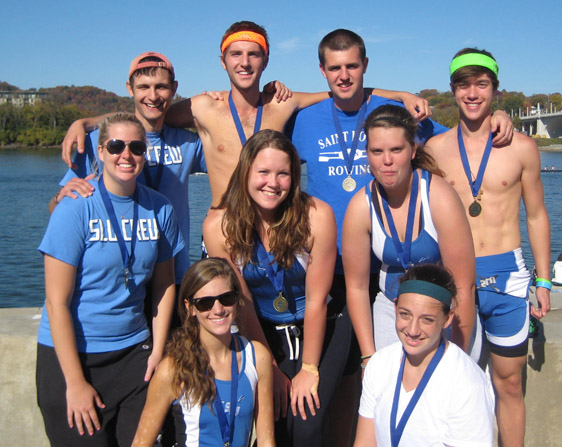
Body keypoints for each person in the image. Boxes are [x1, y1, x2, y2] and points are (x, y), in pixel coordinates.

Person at [287, 29, 511, 444]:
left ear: (410, 148)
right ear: (321, 71)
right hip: (359, 287)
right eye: (334, 68)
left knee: (443, 404)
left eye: (352, 65)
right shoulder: (305, 123)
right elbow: (260, 145)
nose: (344, 75)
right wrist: (373, 356)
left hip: (435, 303)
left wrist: (496, 116)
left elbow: (461, 136)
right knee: (374, 399)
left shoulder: (401, 125)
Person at [425, 48, 551, 447]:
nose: (473, 93)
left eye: (482, 84)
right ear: (453, 90)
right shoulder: (433, 149)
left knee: (509, 383)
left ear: (496, 90)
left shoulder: (522, 148)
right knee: (452, 379)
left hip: (508, 276)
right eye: (464, 85)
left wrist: (545, 279)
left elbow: (536, 216)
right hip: (453, 275)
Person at [36, 113, 183, 446]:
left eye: (136, 147)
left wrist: (157, 351)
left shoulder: (160, 209)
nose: (126, 155)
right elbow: (56, 303)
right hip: (76, 357)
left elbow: (164, 285)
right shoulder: (75, 208)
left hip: (134, 355)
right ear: (100, 151)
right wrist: (74, 382)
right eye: (116, 146)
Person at [203, 130, 340, 447]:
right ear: (246, 172)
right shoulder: (218, 227)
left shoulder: (316, 216)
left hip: (321, 323)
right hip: (262, 329)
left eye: (283, 174)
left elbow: (318, 300)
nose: (272, 183)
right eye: (263, 172)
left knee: (305, 424)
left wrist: (309, 369)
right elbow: (244, 303)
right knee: (275, 423)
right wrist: (271, 369)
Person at [51, 51, 205, 299]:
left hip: (173, 276)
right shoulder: (97, 141)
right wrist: (61, 196)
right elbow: (56, 207)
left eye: (161, 87)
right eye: (143, 87)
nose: (152, 96)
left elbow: (230, 160)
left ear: (174, 89)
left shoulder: (188, 143)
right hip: (116, 281)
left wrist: (217, 110)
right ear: (129, 89)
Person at [343, 104, 476, 361]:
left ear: (413, 150)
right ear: (367, 154)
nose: (387, 161)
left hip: (442, 311)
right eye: (377, 151)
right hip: (391, 309)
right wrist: (368, 356)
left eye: (396, 149)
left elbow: (463, 285)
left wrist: (459, 357)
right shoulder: (360, 207)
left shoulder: (439, 197)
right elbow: (357, 288)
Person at [132, 257, 275, 447]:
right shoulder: (173, 369)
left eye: (227, 298)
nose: (218, 310)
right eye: (205, 303)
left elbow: (266, 440)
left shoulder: (258, 357)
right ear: (190, 307)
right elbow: (141, 443)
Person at [353, 264, 494, 447]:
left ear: (448, 318)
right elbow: (365, 442)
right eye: (405, 315)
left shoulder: (468, 385)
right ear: (395, 308)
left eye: (427, 319)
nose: (413, 330)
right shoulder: (379, 364)